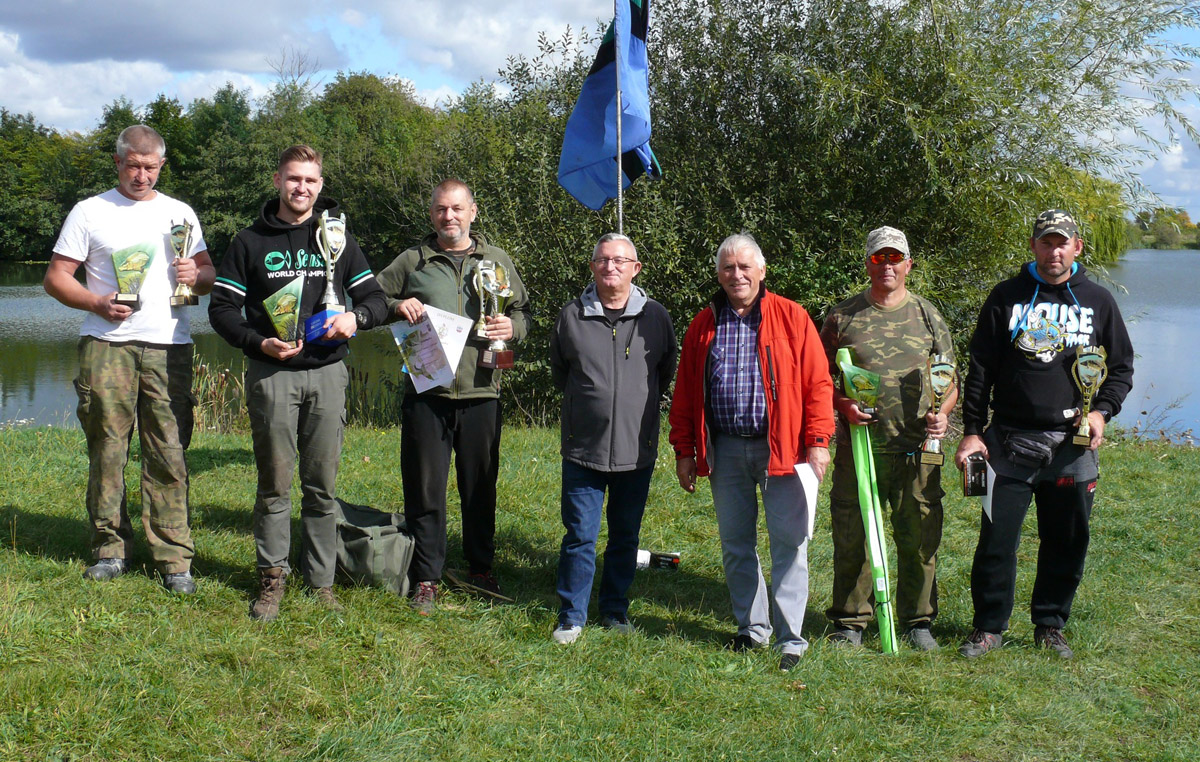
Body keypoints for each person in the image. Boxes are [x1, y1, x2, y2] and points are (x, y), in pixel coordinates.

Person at [208, 145, 388, 621]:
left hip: (328, 373)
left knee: (322, 485)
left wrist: (356, 317)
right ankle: (272, 579)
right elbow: (221, 311)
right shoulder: (249, 242)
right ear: (277, 181)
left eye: (310, 180)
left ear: (320, 185)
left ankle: (321, 581)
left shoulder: (337, 239)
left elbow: (376, 298)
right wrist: (256, 343)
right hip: (272, 375)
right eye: (293, 179)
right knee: (274, 485)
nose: (301, 188)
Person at [954, 209, 1133, 660]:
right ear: (1033, 246)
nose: (1054, 251)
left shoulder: (1098, 301)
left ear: (1077, 248)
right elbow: (980, 370)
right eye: (1046, 242)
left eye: (1062, 242)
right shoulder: (1006, 296)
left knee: (1067, 539)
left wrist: (1102, 414)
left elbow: (1122, 368)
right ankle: (988, 627)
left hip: (1071, 445)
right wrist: (972, 432)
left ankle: (1050, 624)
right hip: (1008, 439)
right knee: (997, 540)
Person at [43, 124, 214, 594]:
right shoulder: (90, 211)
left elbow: (207, 275)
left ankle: (173, 556)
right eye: (134, 166)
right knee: (107, 448)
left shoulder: (180, 213)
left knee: (169, 450)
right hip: (106, 344)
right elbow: (56, 277)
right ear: (118, 163)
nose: (142, 175)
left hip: (169, 346)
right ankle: (109, 547)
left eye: (151, 167)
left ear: (162, 165)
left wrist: (194, 274)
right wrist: (95, 303)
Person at [668, 233, 835, 671]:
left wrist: (818, 443)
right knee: (736, 544)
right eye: (728, 267)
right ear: (719, 274)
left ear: (762, 271)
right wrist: (685, 449)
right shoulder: (703, 324)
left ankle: (791, 638)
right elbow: (685, 393)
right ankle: (752, 629)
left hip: (784, 450)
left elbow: (819, 384)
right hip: (724, 449)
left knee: (789, 543)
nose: (736, 274)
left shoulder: (792, 317)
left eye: (745, 267)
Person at [375, 179, 530, 614]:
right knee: (425, 488)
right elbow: (370, 295)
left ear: (473, 212)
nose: (450, 217)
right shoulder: (413, 260)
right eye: (442, 209)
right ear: (432, 214)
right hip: (428, 391)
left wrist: (512, 330)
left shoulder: (496, 260)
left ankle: (481, 568)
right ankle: (427, 576)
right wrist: (395, 306)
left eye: (458, 209)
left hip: (483, 390)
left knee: (480, 486)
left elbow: (522, 311)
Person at [819, 226, 958, 651]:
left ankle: (917, 621)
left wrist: (944, 414)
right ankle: (850, 621)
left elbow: (950, 380)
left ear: (908, 265)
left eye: (895, 258)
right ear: (868, 263)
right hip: (859, 449)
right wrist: (842, 405)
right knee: (853, 535)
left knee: (919, 537)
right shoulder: (842, 317)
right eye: (880, 258)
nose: (888, 266)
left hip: (917, 450)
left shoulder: (928, 315)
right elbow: (818, 380)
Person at [547, 233, 678, 644]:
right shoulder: (571, 315)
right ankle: (572, 615)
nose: (611, 267)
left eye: (621, 261)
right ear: (592, 267)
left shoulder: (656, 317)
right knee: (580, 535)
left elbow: (665, 372)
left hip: (635, 450)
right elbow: (560, 372)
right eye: (602, 260)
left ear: (635, 268)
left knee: (625, 536)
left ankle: (615, 609)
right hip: (583, 447)